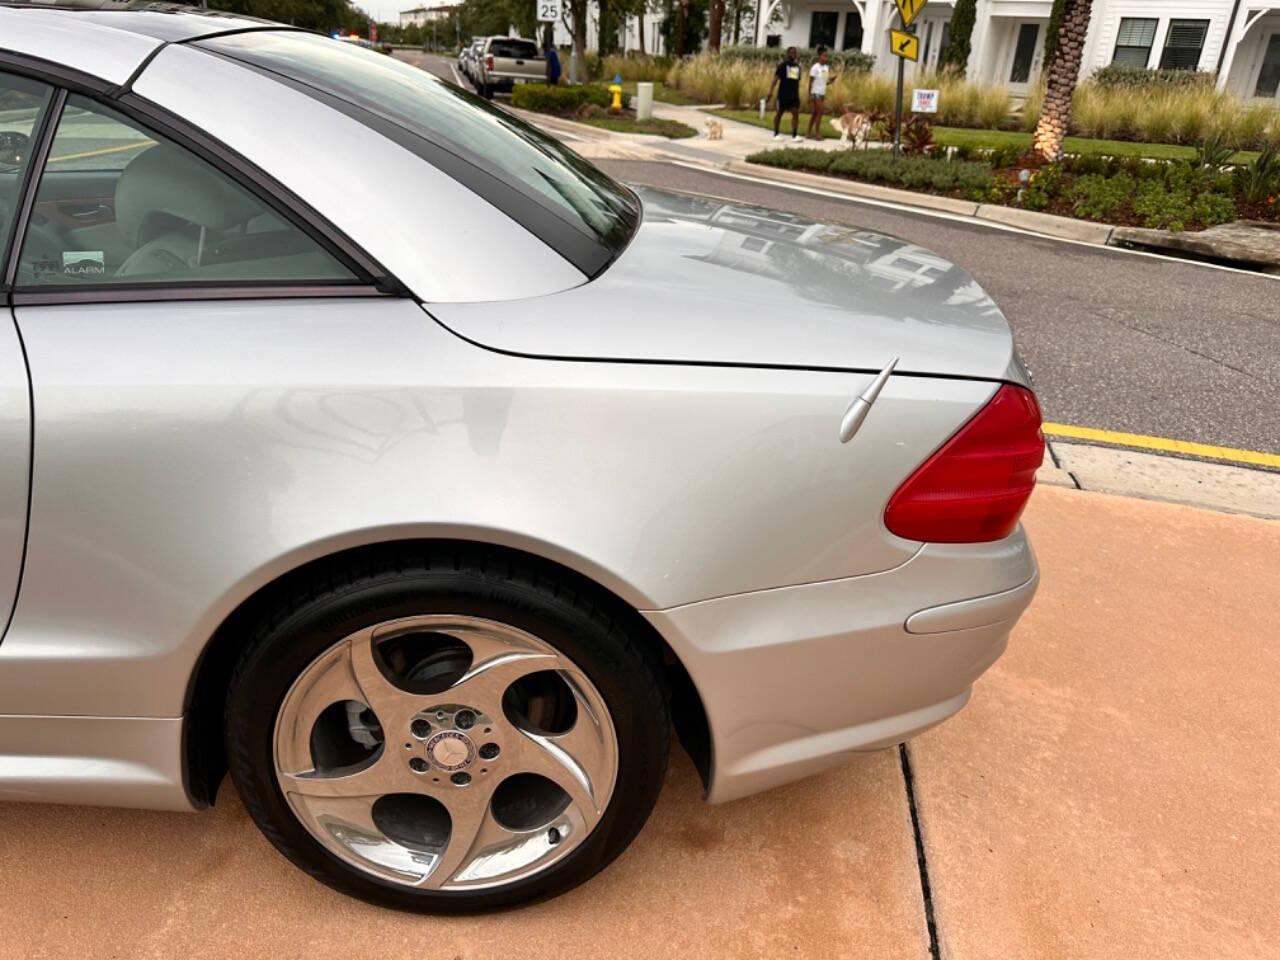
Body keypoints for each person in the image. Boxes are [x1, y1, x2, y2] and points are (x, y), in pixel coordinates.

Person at [766, 46, 802, 142]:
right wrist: (770, 91)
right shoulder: (782, 66)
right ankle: (776, 134)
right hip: (783, 94)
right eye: (791, 52)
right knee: (779, 113)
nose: (793, 54)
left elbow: (796, 81)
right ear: (787, 54)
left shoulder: (797, 67)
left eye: (794, 52)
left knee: (795, 113)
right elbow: (775, 79)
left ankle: (794, 135)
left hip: (794, 95)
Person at [806, 46, 831, 141]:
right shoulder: (815, 68)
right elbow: (810, 82)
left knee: (815, 113)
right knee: (820, 112)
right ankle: (817, 134)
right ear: (819, 56)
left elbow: (825, 82)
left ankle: (808, 133)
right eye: (824, 56)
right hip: (815, 93)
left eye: (827, 56)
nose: (826, 58)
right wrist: (809, 95)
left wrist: (831, 80)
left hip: (822, 93)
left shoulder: (826, 67)